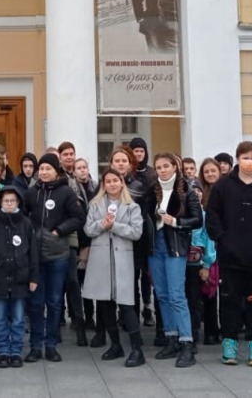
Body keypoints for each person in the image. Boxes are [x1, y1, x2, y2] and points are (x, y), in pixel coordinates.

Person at [205, 141, 252, 367]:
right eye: (245, 156)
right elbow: (213, 215)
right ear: (237, 158)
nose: (249, 161)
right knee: (229, 303)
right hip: (230, 257)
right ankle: (229, 346)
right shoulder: (223, 186)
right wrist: (221, 238)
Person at [24, 153, 86, 363]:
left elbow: (78, 217)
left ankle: (51, 345)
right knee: (36, 302)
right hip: (36, 256)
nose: (43, 172)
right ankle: (35, 345)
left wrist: (59, 230)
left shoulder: (66, 192)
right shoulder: (32, 193)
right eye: (41, 169)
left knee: (54, 301)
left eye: (47, 169)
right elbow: (24, 217)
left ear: (56, 171)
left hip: (59, 254)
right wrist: (33, 231)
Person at [83, 168, 147, 367]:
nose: (111, 184)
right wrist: (103, 224)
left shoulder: (131, 207)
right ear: (103, 185)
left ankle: (137, 349)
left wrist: (115, 226)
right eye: (108, 181)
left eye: (115, 180)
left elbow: (136, 232)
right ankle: (115, 344)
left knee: (126, 305)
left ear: (121, 183)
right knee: (104, 304)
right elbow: (88, 228)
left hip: (122, 260)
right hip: (101, 260)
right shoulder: (95, 204)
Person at [148, 153, 202, 367]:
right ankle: (171, 338)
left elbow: (197, 219)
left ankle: (187, 343)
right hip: (155, 247)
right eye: (158, 167)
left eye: (165, 166)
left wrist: (176, 221)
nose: (162, 170)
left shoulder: (186, 191)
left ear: (174, 167)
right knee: (161, 294)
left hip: (175, 246)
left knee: (177, 294)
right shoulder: (152, 191)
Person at [0, 187, 39, 369]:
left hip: (20, 278)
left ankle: (16, 351)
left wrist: (33, 277)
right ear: (0, 203)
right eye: (5, 201)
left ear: (18, 203)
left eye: (12, 201)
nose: (9, 204)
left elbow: (33, 253)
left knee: (18, 318)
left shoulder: (26, 223)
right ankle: (3, 352)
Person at [119, 140, 156, 328]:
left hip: (145, 230)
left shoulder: (151, 173)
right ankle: (129, 312)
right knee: (130, 276)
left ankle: (147, 307)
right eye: (136, 151)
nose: (139, 154)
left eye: (142, 150)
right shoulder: (127, 175)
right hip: (126, 232)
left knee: (146, 275)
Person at [56, 142, 89, 347]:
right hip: (52, 240)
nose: (69, 157)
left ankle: (80, 323)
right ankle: (56, 322)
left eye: (71, 154)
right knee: (56, 286)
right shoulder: (54, 179)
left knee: (73, 283)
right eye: (65, 154)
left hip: (71, 239)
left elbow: (80, 213)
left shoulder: (77, 180)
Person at [69, 157, 101, 344]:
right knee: (77, 282)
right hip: (79, 238)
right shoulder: (72, 190)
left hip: (94, 239)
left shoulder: (96, 187)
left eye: (84, 167)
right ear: (73, 171)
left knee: (90, 282)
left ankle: (90, 317)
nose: (82, 170)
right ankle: (77, 317)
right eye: (78, 168)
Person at [192, 158, 222, 346]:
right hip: (207, 247)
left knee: (216, 292)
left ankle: (215, 329)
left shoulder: (226, 191)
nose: (210, 174)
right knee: (206, 291)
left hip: (221, 246)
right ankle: (209, 330)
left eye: (213, 171)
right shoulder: (200, 194)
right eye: (207, 171)